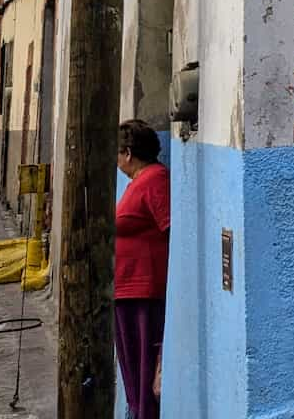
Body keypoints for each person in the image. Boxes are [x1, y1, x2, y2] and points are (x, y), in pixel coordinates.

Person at [115, 119, 170, 419]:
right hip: (127, 291)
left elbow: (171, 229)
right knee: (133, 368)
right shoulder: (137, 182)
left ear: (127, 153)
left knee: (145, 367)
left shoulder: (155, 180)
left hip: (144, 293)